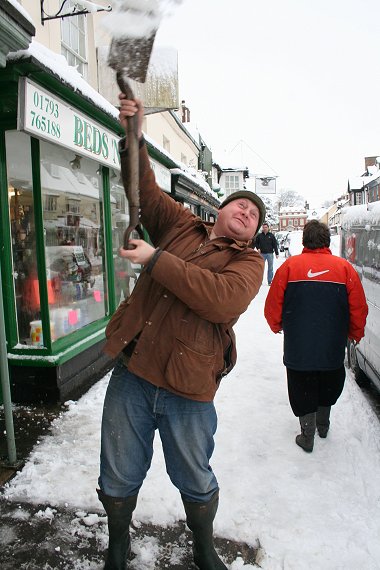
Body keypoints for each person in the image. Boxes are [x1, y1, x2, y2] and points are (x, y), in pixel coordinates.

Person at [97, 95, 266, 570]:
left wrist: (154, 259)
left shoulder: (248, 263)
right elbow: (147, 191)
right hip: (134, 371)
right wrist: (134, 134)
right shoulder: (182, 226)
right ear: (221, 209)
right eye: (240, 205)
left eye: (254, 216)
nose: (246, 213)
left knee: (194, 473)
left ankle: (203, 544)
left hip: (190, 386)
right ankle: (116, 542)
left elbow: (220, 299)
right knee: (118, 468)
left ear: (252, 235)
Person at [264, 220, 368, 453]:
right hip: (332, 342)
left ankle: (307, 432)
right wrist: (355, 332)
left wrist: (276, 325)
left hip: (298, 343)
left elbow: (273, 304)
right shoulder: (344, 269)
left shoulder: (289, 268)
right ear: (327, 241)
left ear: (304, 241)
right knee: (329, 381)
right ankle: (323, 424)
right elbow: (359, 307)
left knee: (301, 383)